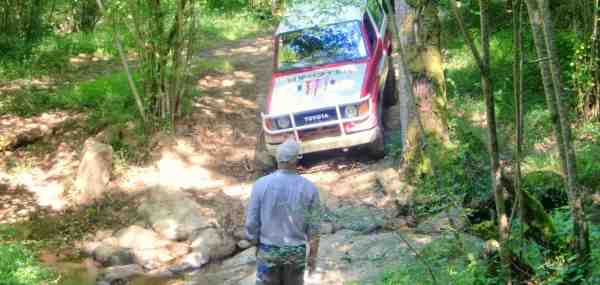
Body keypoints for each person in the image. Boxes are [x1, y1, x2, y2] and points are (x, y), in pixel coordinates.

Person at [245, 138, 321, 285]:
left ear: (277, 159)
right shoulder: (309, 188)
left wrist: (255, 243)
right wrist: (312, 257)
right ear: (296, 160)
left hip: (268, 250)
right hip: (296, 252)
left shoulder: (260, 185)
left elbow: (251, 222)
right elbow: (314, 228)